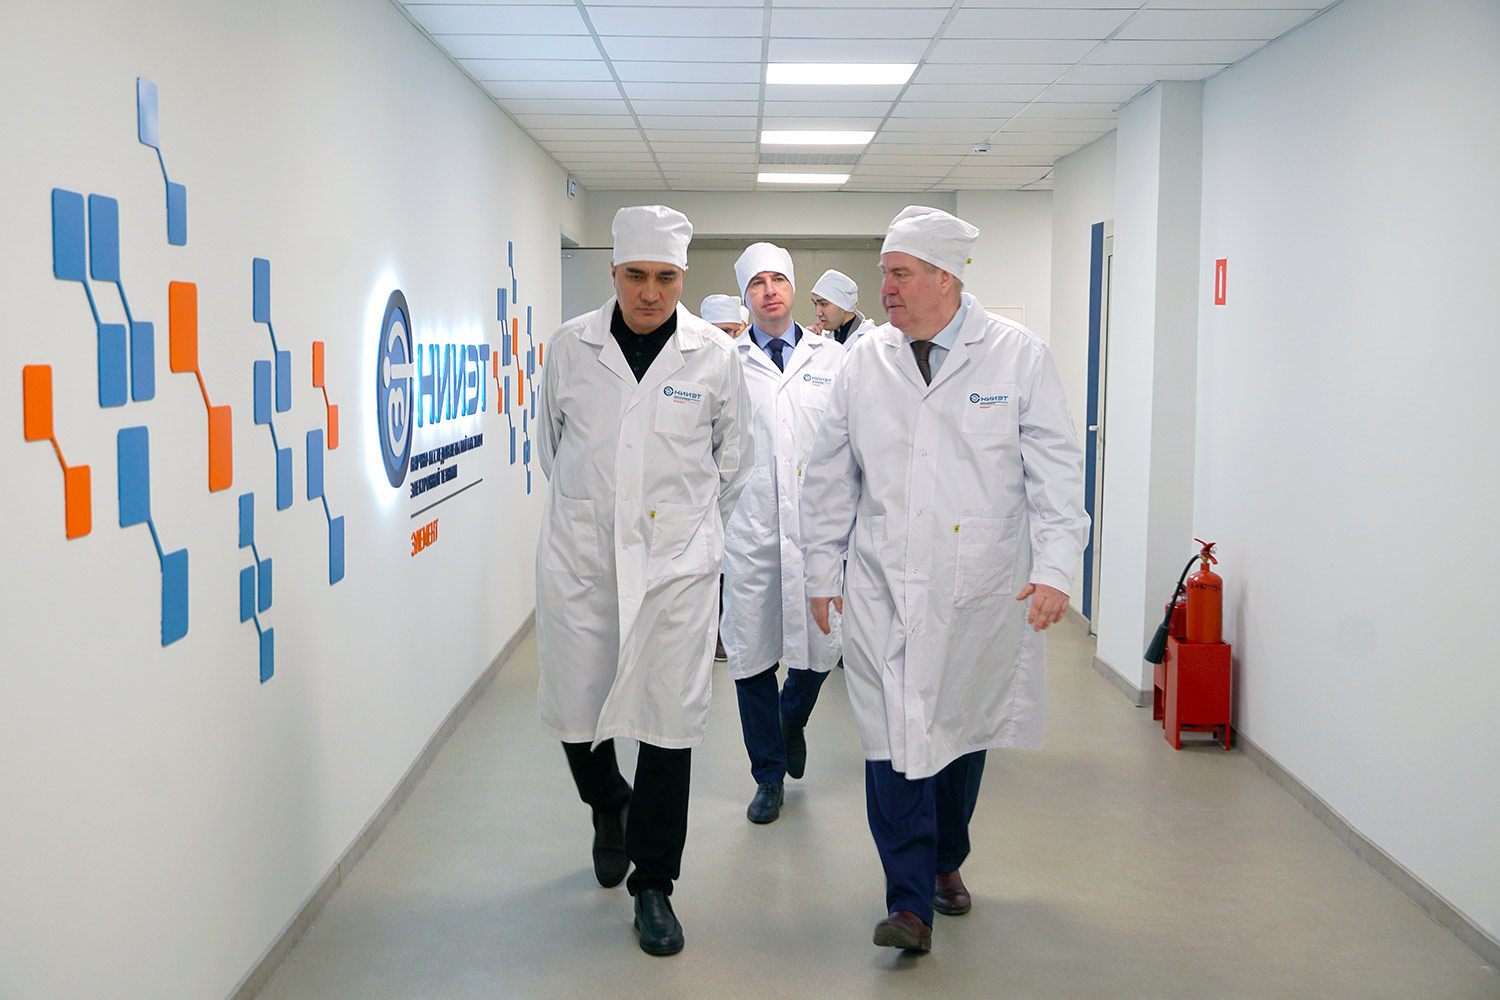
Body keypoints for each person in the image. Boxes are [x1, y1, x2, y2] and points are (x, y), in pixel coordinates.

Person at [800, 206, 1088, 954]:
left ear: (945, 278)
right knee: (889, 735)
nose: (885, 289)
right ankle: (908, 902)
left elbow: (1056, 471)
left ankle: (945, 858)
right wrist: (821, 570)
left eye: (900, 274)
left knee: (959, 728)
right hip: (882, 580)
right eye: (885, 273)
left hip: (978, 582)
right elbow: (830, 475)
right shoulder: (866, 360)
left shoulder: (1017, 357)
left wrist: (1056, 567)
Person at [535, 205, 752, 957]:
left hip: (676, 567)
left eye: (665, 277)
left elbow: (733, 462)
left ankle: (654, 886)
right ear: (614, 272)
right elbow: (551, 447)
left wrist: (684, 531)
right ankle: (608, 802)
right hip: (584, 559)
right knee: (575, 708)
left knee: (668, 722)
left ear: (682, 277)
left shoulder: (713, 356)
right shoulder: (571, 347)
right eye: (636, 275)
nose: (650, 293)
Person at [720, 243, 845, 824]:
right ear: (745, 295)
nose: (769, 290)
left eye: (778, 280)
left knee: (820, 651)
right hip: (749, 532)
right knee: (750, 657)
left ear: (793, 288)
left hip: (816, 532)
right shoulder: (726, 361)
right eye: (757, 283)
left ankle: (789, 722)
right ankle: (767, 776)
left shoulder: (833, 359)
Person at [808, 269, 874, 347]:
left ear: (845, 305)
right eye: (815, 304)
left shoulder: (872, 339)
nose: (818, 313)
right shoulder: (821, 337)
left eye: (823, 304)